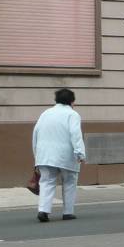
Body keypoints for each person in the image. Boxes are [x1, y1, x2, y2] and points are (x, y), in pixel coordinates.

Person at [32, 88, 86, 222]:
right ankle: (68, 212)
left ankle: (43, 210)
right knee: (69, 182)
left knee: (46, 182)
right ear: (72, 101)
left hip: (44, 155)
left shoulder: (45, 113)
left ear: (55, 100)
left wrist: (36, 156)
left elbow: (36, 134)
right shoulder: (72, 115)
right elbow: (76, 134)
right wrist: (80, 153)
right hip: (65, 155)